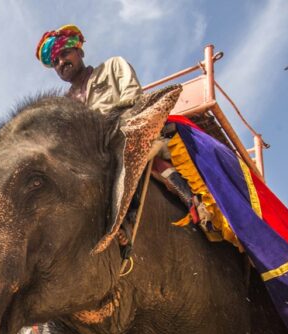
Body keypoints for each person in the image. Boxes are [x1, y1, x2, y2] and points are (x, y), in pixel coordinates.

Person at [35, 25, 208, 226]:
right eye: (55, 62)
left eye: (65, 54)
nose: (62, 62)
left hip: (127, 132)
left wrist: (105, 130)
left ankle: (192, 202)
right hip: (92, 156)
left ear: (79, 52)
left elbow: (132, 99)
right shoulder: (64, 105)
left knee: (131, 152)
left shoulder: (113, 66)